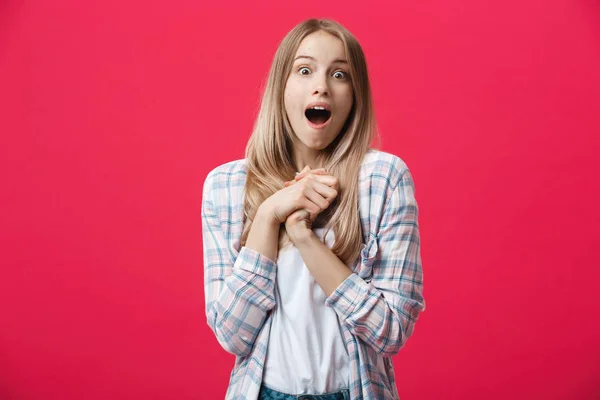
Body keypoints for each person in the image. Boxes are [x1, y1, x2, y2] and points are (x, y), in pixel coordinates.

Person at [201, 18, 426, 400]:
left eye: (340, 74)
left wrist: (305, 237)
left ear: (355, 94)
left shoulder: (384, 178)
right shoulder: (226, 186)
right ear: (281, 88)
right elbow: (232, 333)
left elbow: (390, 330)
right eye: (304, 70)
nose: (321, 85)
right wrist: (270, 214)